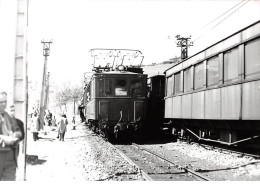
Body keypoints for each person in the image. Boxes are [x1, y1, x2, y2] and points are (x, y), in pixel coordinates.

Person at [0, 91, 23, 181]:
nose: (3, 104)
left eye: (5, 102)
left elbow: (19, 132)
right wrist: (3, 139)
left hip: (11, 158)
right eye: (1, 102)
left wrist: (15, 135)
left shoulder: (8, 116)